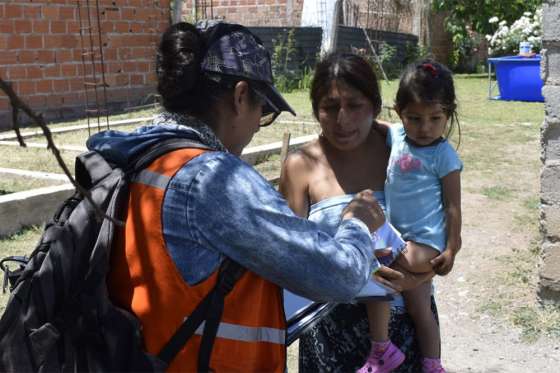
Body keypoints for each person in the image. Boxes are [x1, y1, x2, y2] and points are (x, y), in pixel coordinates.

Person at [86, 21, 391, 373]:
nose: (256, 125)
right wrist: (355, 223)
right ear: (241, 95)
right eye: (263, 112)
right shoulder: (214, 180)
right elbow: (341, 276)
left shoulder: (134, 155)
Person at [279, 53, 438, 373]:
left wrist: (406, 281)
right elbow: (288, 260)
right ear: (315, 110)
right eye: (330, 107)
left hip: (404, 329)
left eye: (354, 106)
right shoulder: (299, 167)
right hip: (328, 334)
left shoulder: (406, 154)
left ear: (375, 105)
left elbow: (438, 244)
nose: (342, 119)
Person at [358, 59, 462, 373]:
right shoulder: (396, 136)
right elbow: (365, 122)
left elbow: (453, 205)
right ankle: (418, 360)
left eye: (435, 118)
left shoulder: (445, 155)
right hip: (400, 236)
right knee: (416, 307)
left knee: (378, 273)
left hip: (425, 243)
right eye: (414, 118)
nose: (425, 127)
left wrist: (452, 248)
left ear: (448, 114)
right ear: (399, 112)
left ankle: (398, 355)